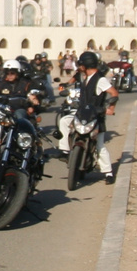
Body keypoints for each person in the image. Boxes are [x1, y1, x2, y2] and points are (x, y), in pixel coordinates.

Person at [57, 51, 118, 184]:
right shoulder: (86, 77)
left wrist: (110, 108)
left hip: (96, 115)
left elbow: (113, 93)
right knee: (64, 121)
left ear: (85, 65)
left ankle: (108, 173)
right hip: (82, 113)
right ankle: (65, 150)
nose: (79, 67)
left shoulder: (100, 79)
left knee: (99, 145)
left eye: (81, 64)